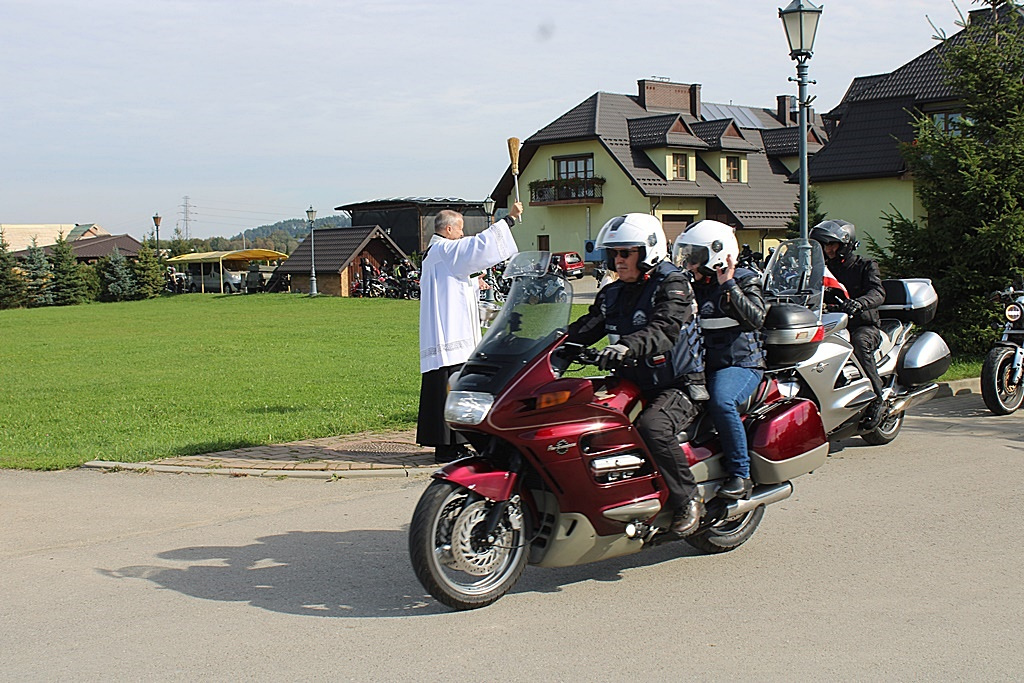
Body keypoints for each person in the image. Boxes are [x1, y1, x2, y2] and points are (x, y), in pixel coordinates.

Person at [567, 213, 707, 536]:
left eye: (626, 253)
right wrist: (545, 345)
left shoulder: (673, 284)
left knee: (653, 427)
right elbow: (586, 327)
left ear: (648, 252)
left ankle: (688, 499)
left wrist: (627, 346)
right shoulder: (614, 292)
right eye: (613, 253)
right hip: (631, 382)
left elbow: (664, 329)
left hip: (677, 384)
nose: (618, 260)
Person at [418, 202, 523, 463]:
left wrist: (474, 283)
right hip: (451, 334)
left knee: (448, 386)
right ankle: (448, 447)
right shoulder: (445, 249)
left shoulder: (436, 253)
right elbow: (478, 246)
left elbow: (451, 284)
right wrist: (509, 220)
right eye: (460, 229)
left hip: (446, 331)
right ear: (448, 229)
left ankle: (451, 445)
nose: (462, 234)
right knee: (452, 386)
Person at [674, 220, 766, 500]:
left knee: (721, 401)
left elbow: (756, 318)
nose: (689, 264)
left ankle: (741, 474)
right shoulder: (693, 285)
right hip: (702, 365)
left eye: (695, 257)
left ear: (716, 254)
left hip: (740, 363)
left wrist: (730, 285)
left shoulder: (745, 279)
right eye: (687, 256)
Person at [810, 219, 887, 427]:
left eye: (832, 244)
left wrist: (859, 303)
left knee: (859, 343)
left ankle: (878, 398)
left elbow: (878, 292)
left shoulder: (865, 265)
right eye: (825, 245)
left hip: (862, 325)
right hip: (831, 324)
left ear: (845, 244)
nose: (828, 249)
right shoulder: (820, 270)